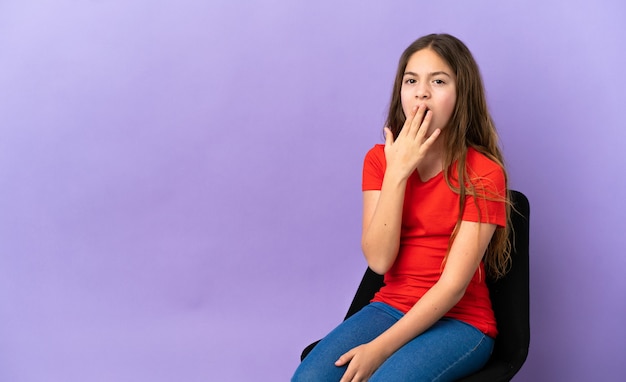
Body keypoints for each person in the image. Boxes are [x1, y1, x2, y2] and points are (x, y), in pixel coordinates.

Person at [292, 33, 512, 382]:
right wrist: (397, 174)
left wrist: (380, 348)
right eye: (411, 81)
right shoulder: (379, 161)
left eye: (438, 81)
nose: (422, 92)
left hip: (462, 321)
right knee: (308, 379)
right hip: (391, 306)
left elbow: (453, 287)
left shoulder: (484, 173)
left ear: (461, 94)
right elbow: (379, 261)